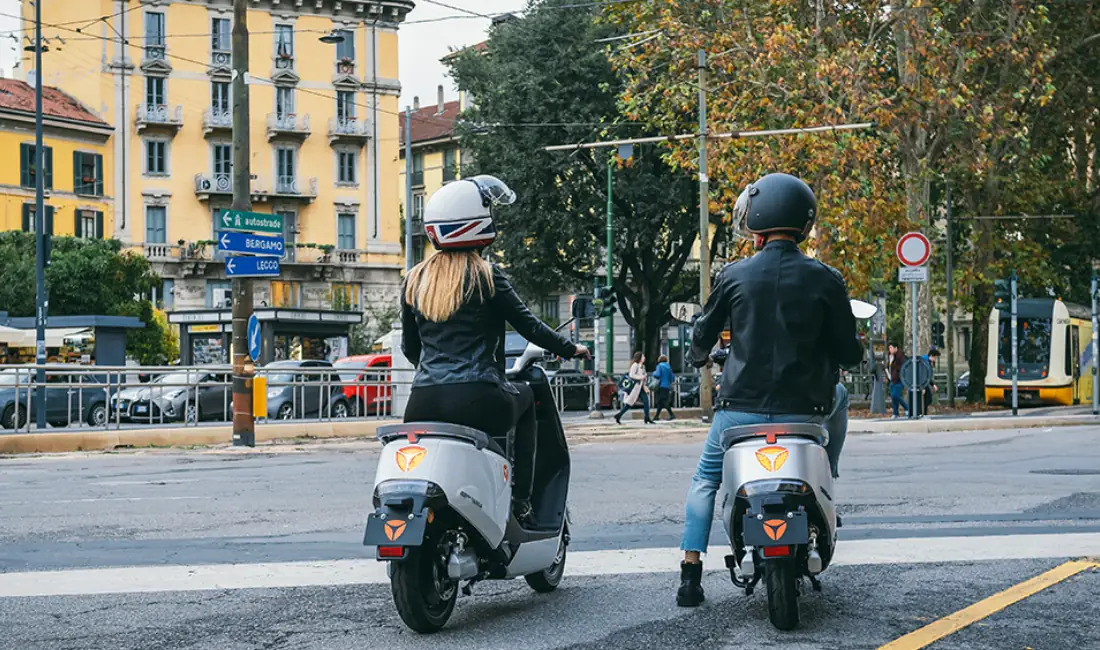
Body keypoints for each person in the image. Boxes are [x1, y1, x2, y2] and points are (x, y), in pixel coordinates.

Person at [675, 173, 863, 608]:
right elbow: (849, 355)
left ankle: (690, 573)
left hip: (738, 409)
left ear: (756, 222)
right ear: (804, 220)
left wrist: (702, 355)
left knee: (706, 479)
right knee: (837, 398)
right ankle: (824, 474)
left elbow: (702, 335)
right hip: (807, 409)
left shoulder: (733, 274)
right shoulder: (827, 278)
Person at [400, 175, 590, 523]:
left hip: (422, 399)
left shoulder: (415, 279)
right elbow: (530, 326)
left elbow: (411, 348)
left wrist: (436, 372)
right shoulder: (487, 275)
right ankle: (521, 501)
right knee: (527, 400)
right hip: (478, 396)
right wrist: (571, 348)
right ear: (478, 222)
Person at [614, 352, 653, 424]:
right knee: (629, 403)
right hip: (635, 387)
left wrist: (644, 377)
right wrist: (641, 377)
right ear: (640, 358)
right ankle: (619, 415)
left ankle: (647, 417)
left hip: (640, 387)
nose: (644, 358)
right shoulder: (635, 365)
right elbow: (631, 375)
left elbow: (643, 375)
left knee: (646, 401)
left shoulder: (642, 366)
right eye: (643, 356)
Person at [888, 343, 909, 418]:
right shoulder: (890, 357)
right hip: (892, 379)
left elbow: (901, 368)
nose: (890, 350)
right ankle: (895, 413)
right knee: (893, 397)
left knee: (896, 395)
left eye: (891, 348)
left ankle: (907, 408)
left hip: (898, 379)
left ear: (895, 348)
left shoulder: (900, 356)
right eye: (889, 348)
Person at [652, 355, 676, 421]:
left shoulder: (659, 366)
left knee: (664, 401)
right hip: (667, 386)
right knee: (660, 402)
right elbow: (672, 377)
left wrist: (653, 373)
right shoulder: (669, 367)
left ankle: (672, 414)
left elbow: (657, 375)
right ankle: (656, 416)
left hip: (661, 385)